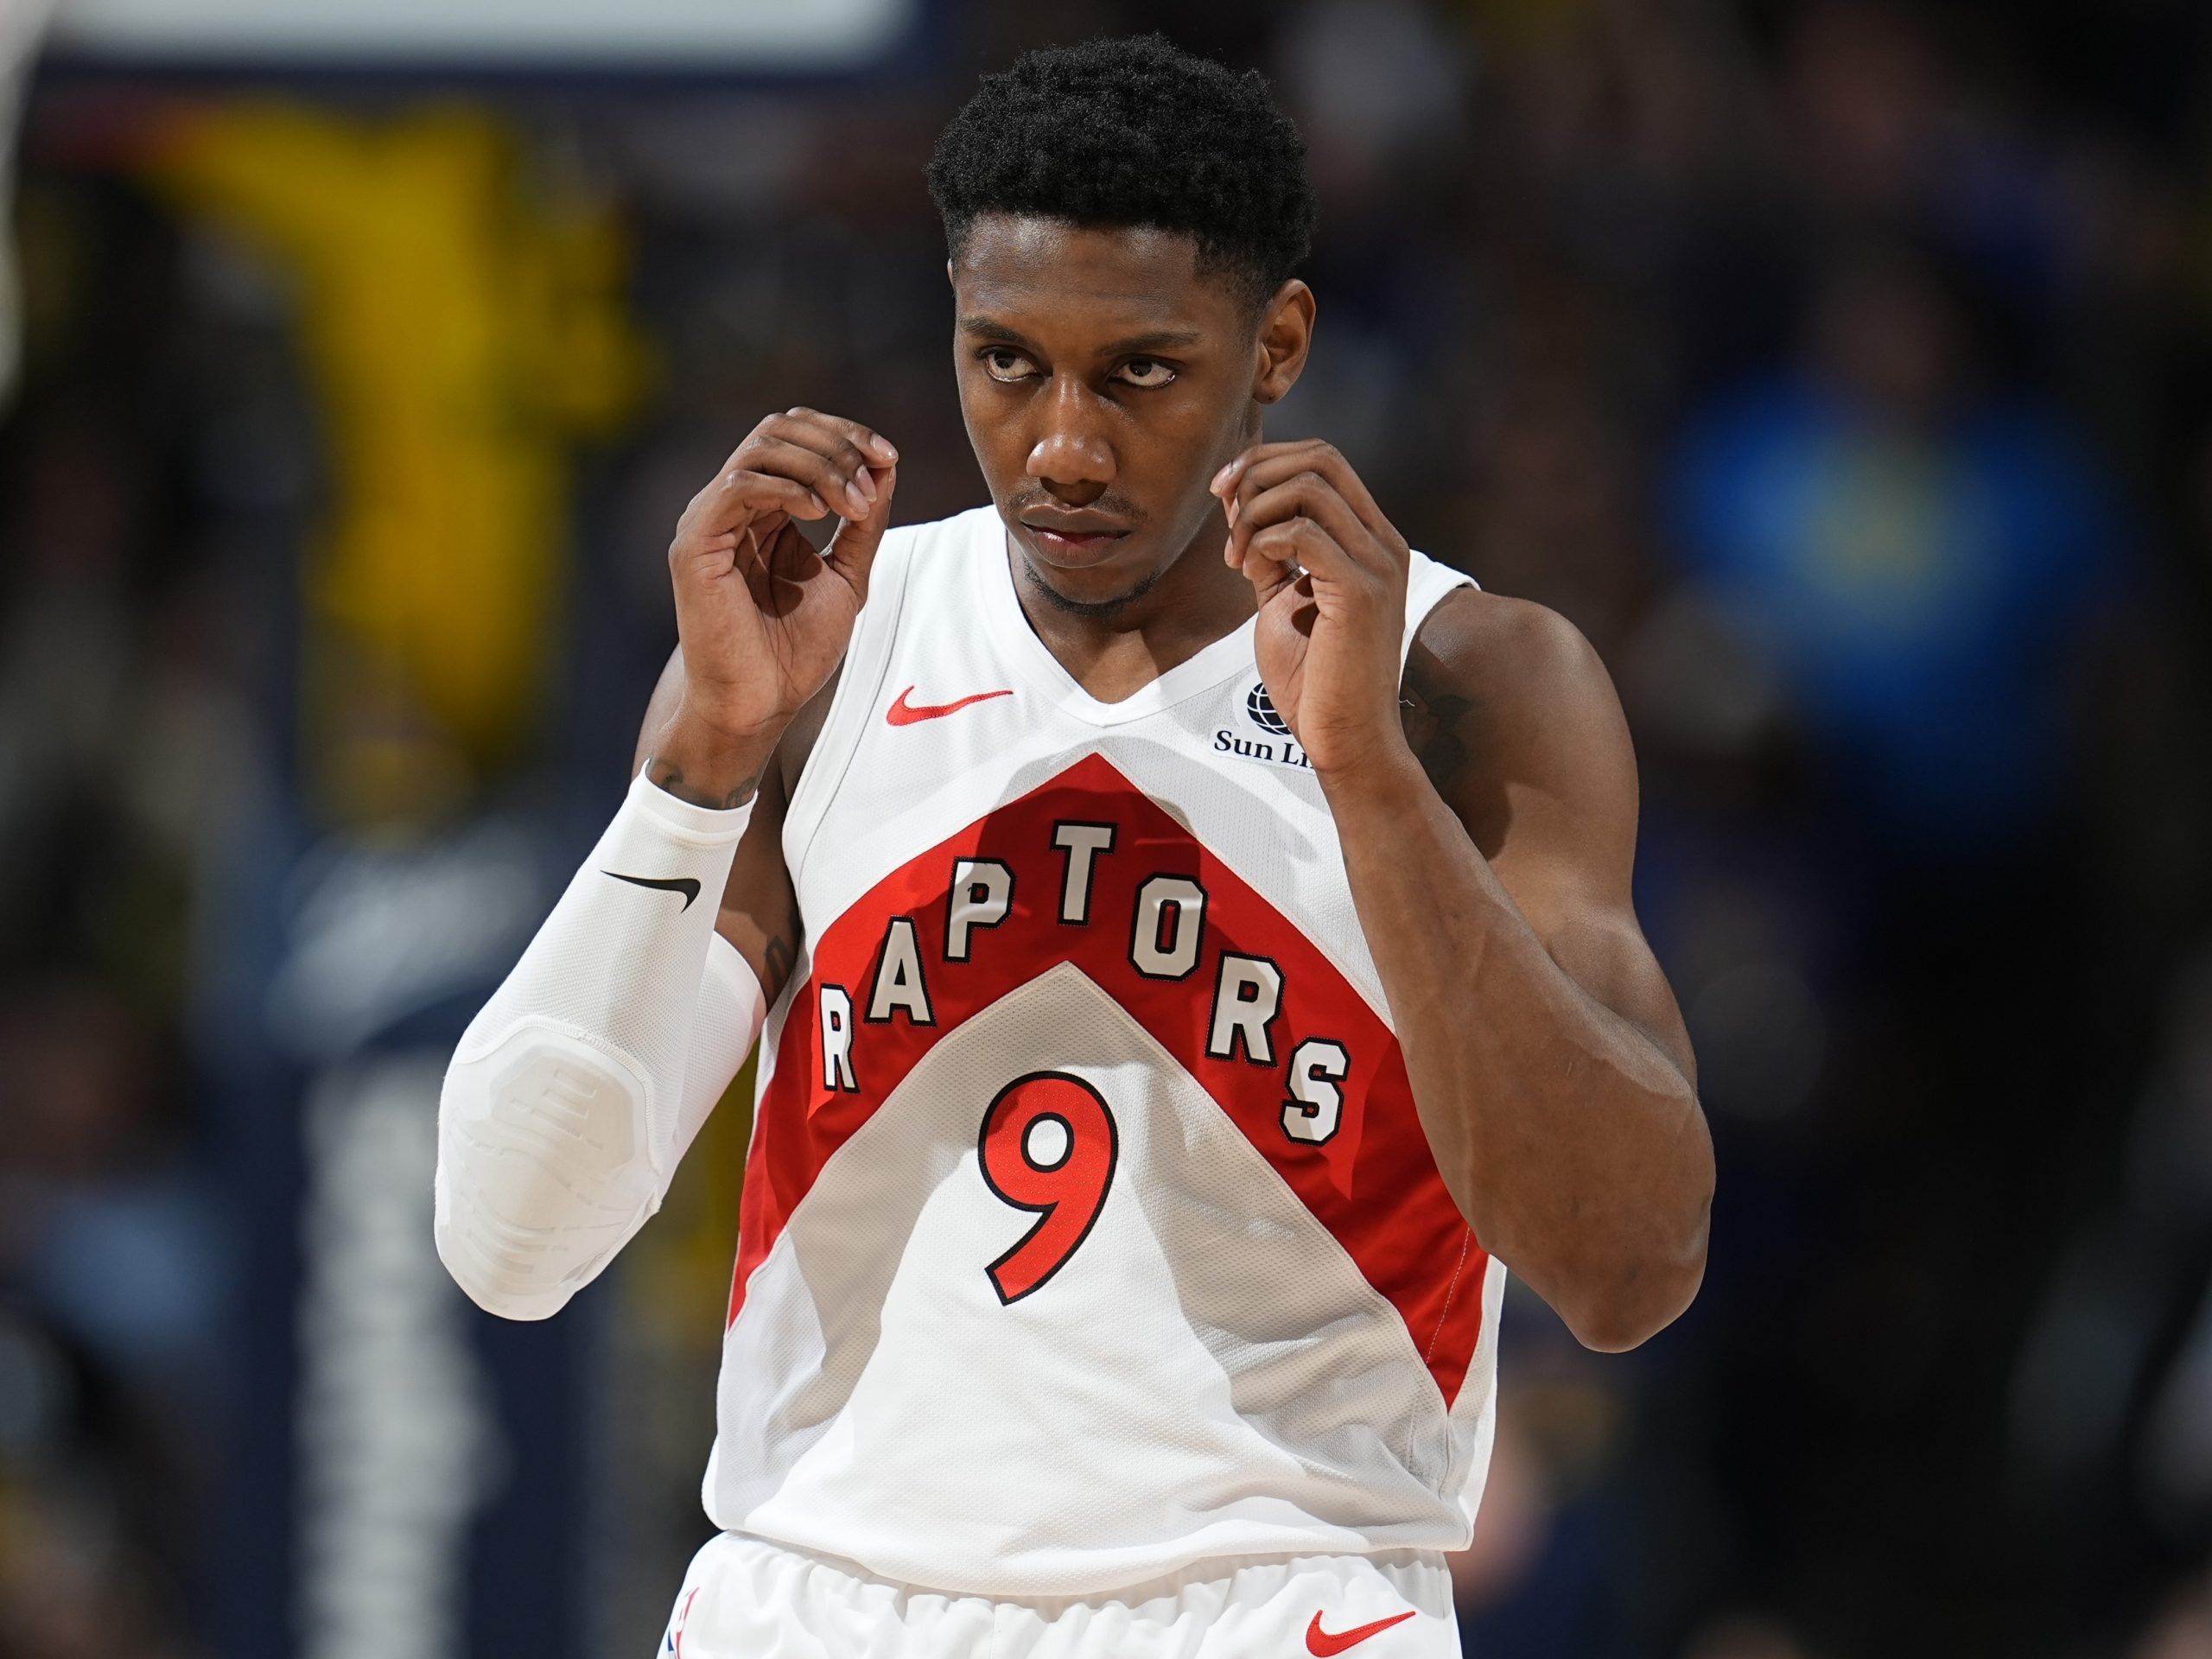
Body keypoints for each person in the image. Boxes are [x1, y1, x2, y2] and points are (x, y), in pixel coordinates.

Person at [433, 35, 1713, 1657]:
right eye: (1008, 362)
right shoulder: (830, 646)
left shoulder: (1472, 685)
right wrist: (695, 766)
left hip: (1279, 1598)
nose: (1064, 449)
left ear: (1281, 343)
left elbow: (1627, 1266)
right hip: (821, 1596)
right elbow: (510, 1241)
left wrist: (1368, 783)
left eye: (1142, 373)